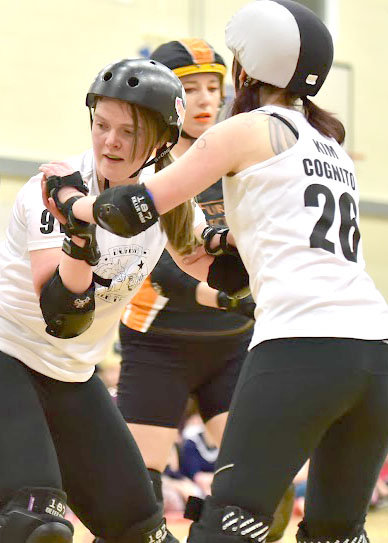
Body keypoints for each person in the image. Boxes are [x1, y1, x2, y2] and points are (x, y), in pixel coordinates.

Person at [59, 2, 388, 541]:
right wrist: (218, 242)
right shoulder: (330, 144)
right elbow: (261, 244)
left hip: (300, 346)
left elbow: (132, 208)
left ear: (244, 70)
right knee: (336, 530)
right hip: (374, 350)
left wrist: (68, 198)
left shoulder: (245, 130)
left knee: (231, 523)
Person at [0, 57, 217, 543]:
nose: (109, 141)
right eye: (101, 125)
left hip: (68, 375)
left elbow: (218, 272)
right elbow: (63, 314)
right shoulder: (55, 185)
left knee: (144, 534)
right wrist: (78, 230)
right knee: (33, 526)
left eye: (127, 132)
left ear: (163, 141)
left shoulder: (168, 202)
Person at [116, 38, 293, 542]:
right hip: (160, 343)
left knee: (265, 489)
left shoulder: (241, 154)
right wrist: (237, 295)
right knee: (132, 495)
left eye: (213, 87)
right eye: (190, 88)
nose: (204, 99)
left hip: (231, 344)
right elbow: (161, 269)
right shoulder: (147, 164)